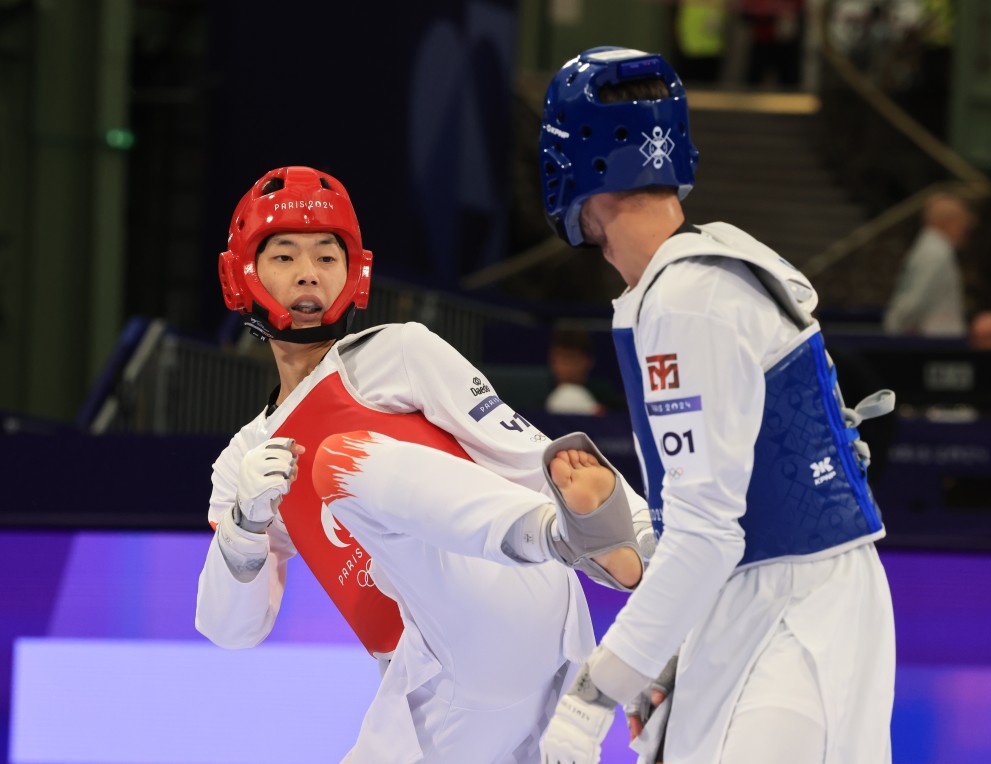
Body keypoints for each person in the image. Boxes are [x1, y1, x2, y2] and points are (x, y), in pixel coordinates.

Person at [195, 165, 653, 762]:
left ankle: (560, 539)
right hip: (436, 685)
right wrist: (245, 525)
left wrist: (644, 546)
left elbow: (533, 456)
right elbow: (232, 631)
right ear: (243, 274)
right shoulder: (241, 463)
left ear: (353, 273)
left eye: (327, 257)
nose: (308, 273)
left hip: (513, 586)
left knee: (340, 463)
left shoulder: (397, 351)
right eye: (283, 256)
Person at [536, 47, 896, 764]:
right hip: (783, 599)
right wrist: (663, 664)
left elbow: (708, 534)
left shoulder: (689, 300)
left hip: (793, 613)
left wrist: (593, 695)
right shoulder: (700, 277)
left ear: (574, 162)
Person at [883, 191, 974, 337]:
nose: (966, 228)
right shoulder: (935, 253)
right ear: (947, 221)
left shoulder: (935, 248)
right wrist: (894, 333)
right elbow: (913, 302)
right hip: (936, 341)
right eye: (962, 221)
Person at [546, 327, 606, 415]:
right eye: (561, 360)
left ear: (589, 361)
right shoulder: (536, 399)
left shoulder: (605, 397)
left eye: (572, 359)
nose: (566, 368)